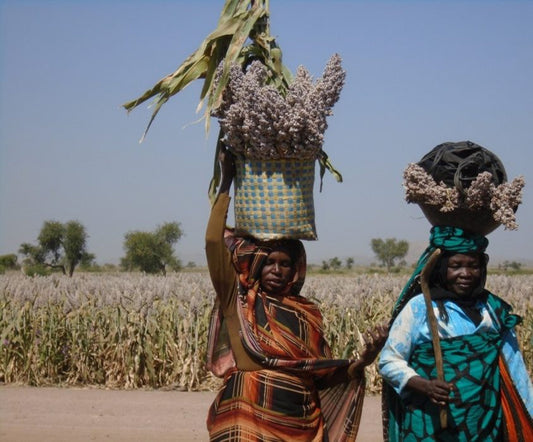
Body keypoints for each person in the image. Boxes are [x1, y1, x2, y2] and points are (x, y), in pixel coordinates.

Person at [205, 148, 388, 441]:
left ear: (296, 270)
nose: (277, 270)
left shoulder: (308, 313)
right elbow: (214, 242)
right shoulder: (237, 300)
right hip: (247, 413)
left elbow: (324, 374)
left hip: (300, 420)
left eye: (285, 263)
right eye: (270, 262)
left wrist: (365, 359)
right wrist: (227, 181)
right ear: (257, 266)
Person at [379, 226, 533, 441]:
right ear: (441, 268)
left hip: (484, 423)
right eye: (456, 266)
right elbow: (388, 361)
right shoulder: (421, 308)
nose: (466, 274)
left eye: (473, 266)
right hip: (429, 425)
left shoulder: (493, 311)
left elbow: (516, 370)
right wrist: (425, 385)